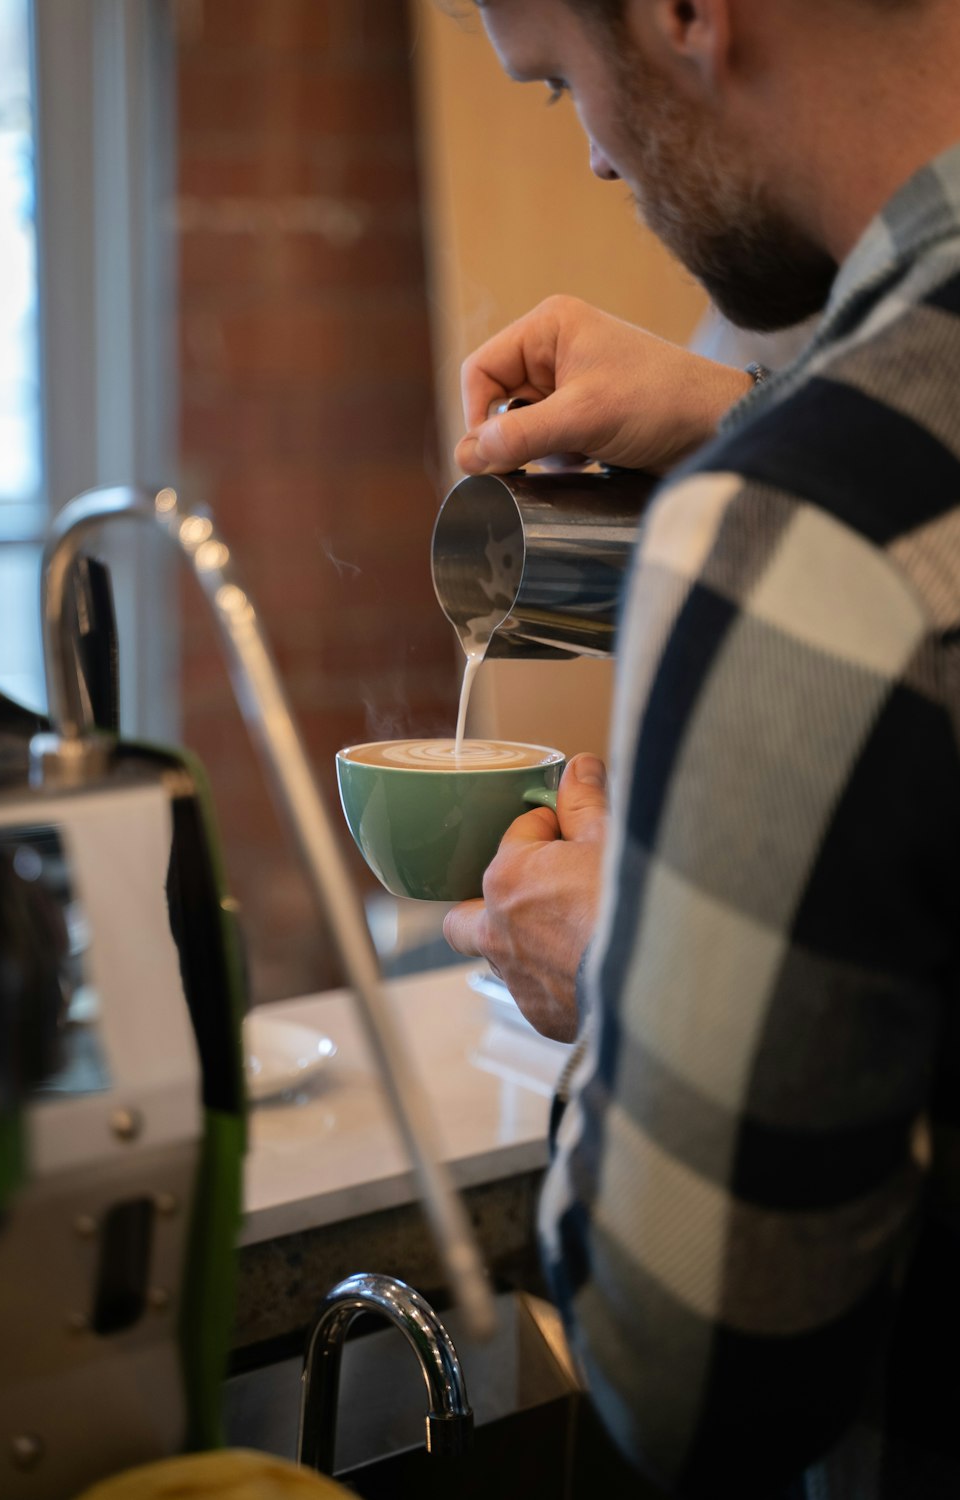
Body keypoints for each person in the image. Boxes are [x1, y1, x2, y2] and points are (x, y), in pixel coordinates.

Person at [440, 1, 960, 1495]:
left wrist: (631, 970)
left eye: (559, 85)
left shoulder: (794, 533)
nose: (601, 159)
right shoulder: (840, 481)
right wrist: (745, 406)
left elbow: (696, 1384)